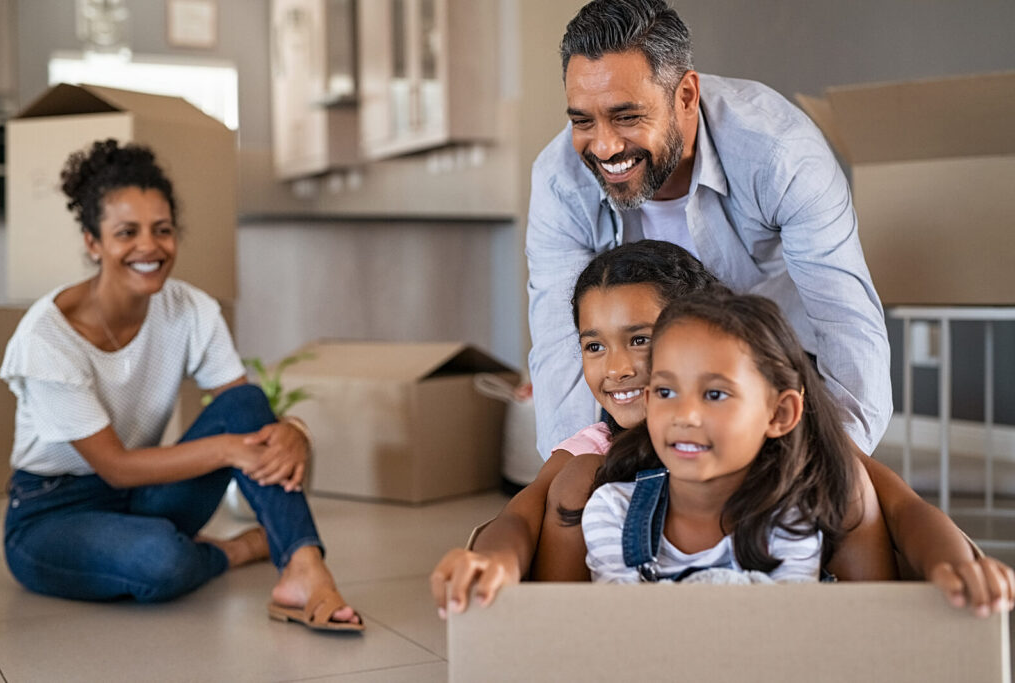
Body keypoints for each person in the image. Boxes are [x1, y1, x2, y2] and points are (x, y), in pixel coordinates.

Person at [431, 242, 1014, 615]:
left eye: (642, 339)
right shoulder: (592, 462)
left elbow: (905, 508)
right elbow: (516, 518)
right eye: (595, 345)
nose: (620, 367)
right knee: (571, 489)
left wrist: (954, 565)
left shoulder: (780, 429)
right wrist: (496, 564)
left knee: (854, 488)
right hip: (636, 623)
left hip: (790, 615)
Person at [0, 139, 362, 632]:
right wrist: (232, 452)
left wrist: (294, 427)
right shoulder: (47, 338)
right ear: (93, 242)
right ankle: (234, 552)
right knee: (160, 560)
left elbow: (243, 411)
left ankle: (302, 566)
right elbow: (117, 467)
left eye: (162, 230)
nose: (149, 247)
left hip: (146, 496)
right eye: (126, 232)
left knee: (247, 401)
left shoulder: (191, 309)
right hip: (51, 515)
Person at [526, 0, 890, 463]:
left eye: (627, 117)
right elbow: (560, 342)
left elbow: (845, 317)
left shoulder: (779, 155)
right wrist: (580, 468)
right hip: (643, 380)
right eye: (582, 121)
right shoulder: (560, 181)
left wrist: (840, 463)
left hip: (774, 364)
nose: (604, 146)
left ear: (686, 96)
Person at [583, 291, 856, 583]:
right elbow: (625, 623)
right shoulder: (613, 511)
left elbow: (780, 623)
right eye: (666, 392)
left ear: (779, 414)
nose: (684, 415)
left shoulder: (790, 521)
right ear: (649, 403)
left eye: (715, 394)